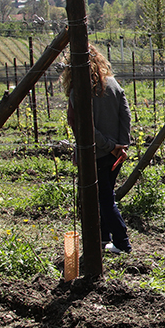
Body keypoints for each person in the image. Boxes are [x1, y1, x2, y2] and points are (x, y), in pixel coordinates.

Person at [62, 45, 133, 255]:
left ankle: (122, 242)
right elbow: (126, 115)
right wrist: (121, 145)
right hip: (115, 153)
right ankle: (103, 239)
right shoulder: (112, 83)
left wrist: (111, 147)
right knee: (102, 196)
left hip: (95, 153)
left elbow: (85, 128)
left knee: (103, 198)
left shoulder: (79, 90)